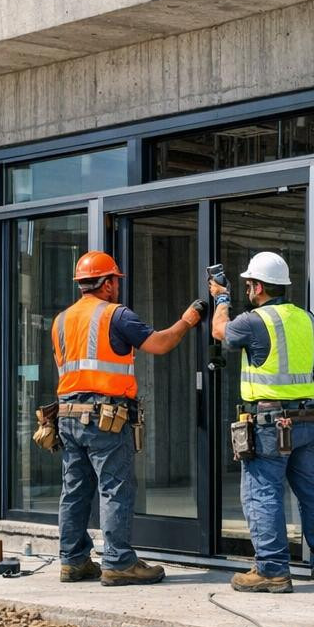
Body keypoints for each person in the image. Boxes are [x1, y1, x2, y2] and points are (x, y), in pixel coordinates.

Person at [54, 250, 203, 587]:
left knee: (74, 489)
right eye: (115, 281)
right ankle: (119, 562)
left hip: (67, 415)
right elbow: (160, 344)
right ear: (106, 283)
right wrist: (189, 320)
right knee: (115, 487)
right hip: (104, 416)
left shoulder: (61, 320)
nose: (117, 287)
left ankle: (73, 561)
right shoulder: (115, 315)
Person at [209, 250, 314, 593]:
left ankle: (271, 570)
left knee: (261, 492)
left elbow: (220, 331)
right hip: (306, 420)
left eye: (249, 285)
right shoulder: (306, 318)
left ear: (256, 286)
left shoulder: (254, 321)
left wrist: (222, 298)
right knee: (312, 493)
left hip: (270, 424)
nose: (248, 291)